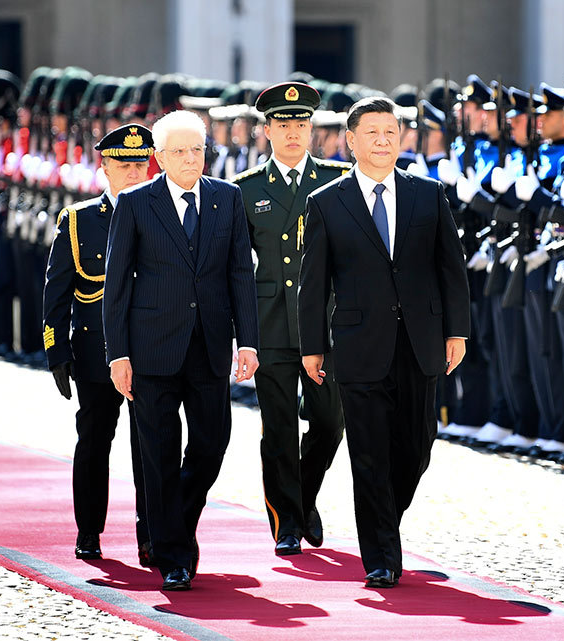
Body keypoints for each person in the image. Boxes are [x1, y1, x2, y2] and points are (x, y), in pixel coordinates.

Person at [298, 97, 470, 588]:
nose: (382, 141)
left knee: (416, 449)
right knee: (368, 453)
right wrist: (312, 346)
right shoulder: (327, 202)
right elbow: (314, 283)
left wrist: (456, 331)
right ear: (351, 141)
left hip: (420, 342)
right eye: (371, 133)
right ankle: (380, 556)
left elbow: (451, 269)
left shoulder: (427, 194)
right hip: (358, 345)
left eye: (390, 132)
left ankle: (384, 520)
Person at [103, 110, 259, 591]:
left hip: (209, 344)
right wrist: (117, 354)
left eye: (197, 149)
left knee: (212, 443)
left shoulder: (227, 198)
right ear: (159, 157)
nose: (191, 159)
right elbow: (116, 284)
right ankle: (174, 555)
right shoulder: (136, 202)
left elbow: (240, 272)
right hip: (151, 348)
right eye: (179, 151)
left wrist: (248, 341)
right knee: (159, 453)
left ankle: (175, 522)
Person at [233, 82, 349, 557]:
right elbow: (236, 266)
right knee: (278, 427)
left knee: (330, 422)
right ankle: (286, 521)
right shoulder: (246, 189)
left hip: (325, 322)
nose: (294, 132)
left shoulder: (338, 179)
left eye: (301, 123)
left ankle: (303, 494)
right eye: (283, 124)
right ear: (267, 130)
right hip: (272, 321)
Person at [42, 124, 154, 563]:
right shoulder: (79, 220)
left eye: (141, 164)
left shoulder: (164, 213)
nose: (134, 172)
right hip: (95, 350)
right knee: (93, 441)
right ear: (104, 166)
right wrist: (56, 352)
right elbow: (56, 293)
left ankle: (151, 533)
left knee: (151, 446)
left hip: (150, 350)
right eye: (124, 165)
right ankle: (89, 530)